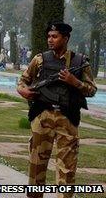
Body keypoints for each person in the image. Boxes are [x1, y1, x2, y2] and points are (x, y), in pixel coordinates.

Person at [16, 21, 96, 198]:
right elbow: (23, 81)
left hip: (67, 119)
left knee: (67, 170)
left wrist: (74, 82)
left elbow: (92, 90)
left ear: (65, 38)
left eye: (55, 36)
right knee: (36, 166)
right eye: (49, 36)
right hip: (42, 117)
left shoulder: (79, 61)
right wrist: (23, 91)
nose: (50, 40)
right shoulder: (40, 59)